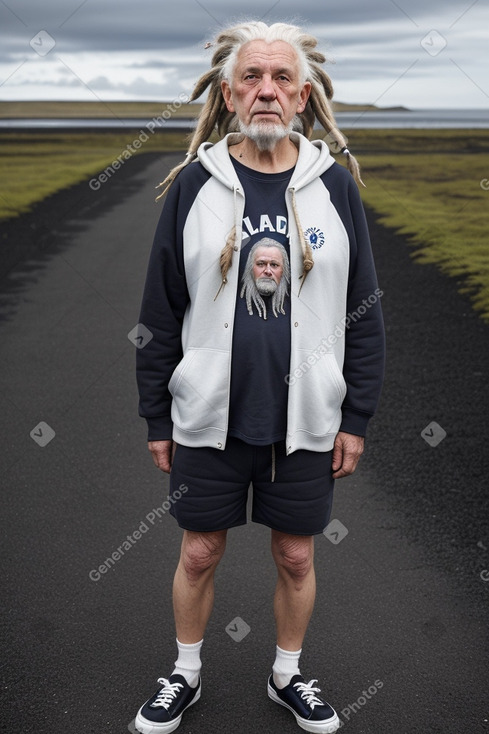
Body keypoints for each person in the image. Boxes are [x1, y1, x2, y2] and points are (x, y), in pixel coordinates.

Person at [134, 20, 385, 734]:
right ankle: (183, 673)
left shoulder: (334, 189)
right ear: (228, 91)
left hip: (305, 418)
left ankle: (286, 675)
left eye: (280, 79)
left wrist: (355, 416)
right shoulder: (193, 186)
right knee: (200, 548)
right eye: (251, 77)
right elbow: (159, 309)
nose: (265, 91)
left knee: (297, 555)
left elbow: (364, 311)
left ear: (303, 95)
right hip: (208, 415)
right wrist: (158, 415)